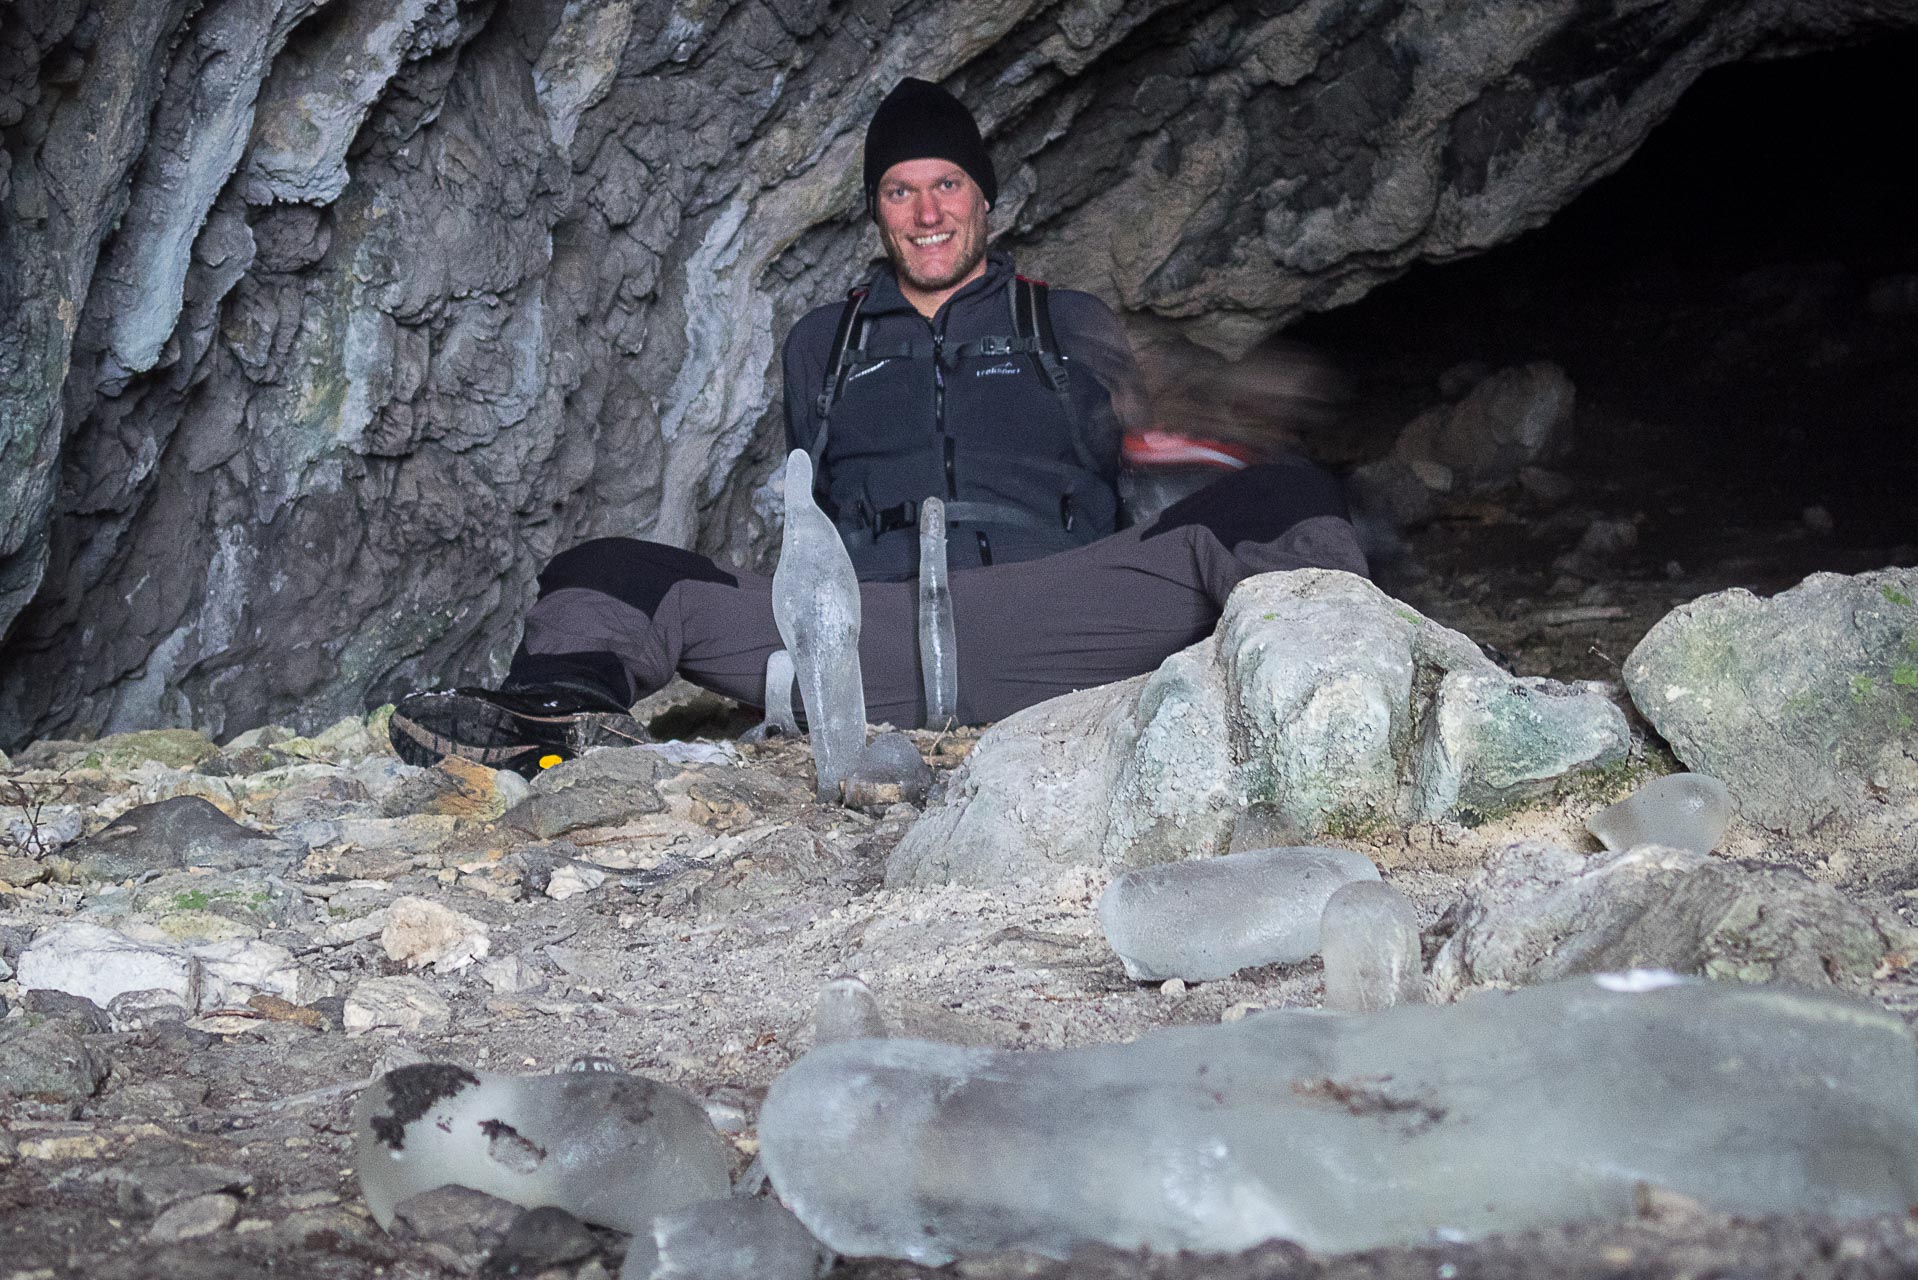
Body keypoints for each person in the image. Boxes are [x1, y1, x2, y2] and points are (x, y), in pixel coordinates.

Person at [389, 79, 1367, 778]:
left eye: (947, 185)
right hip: (863, 634)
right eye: (901, 190)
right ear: (877, 212)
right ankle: (553, 725)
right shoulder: (826, 340)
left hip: (1059, 611)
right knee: (606, 567)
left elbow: (1135, 450)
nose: (927, 210)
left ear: (984, 200)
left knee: (1284, 493)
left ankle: (1341, 688)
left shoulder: (1064, 321)